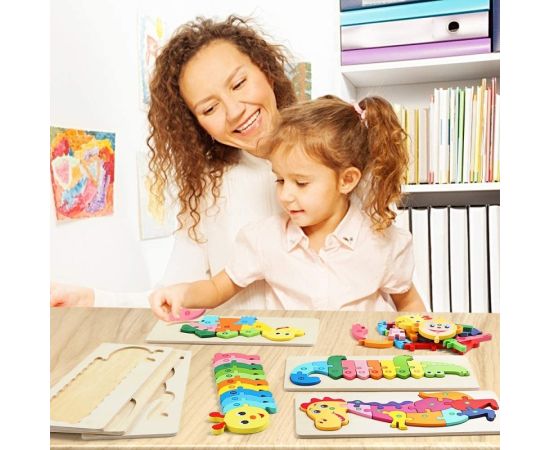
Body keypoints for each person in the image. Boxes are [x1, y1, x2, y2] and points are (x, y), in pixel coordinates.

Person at [50, 15, 297, 309]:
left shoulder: (335, 155)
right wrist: (92, 300)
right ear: (197, 124)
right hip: (238, 341)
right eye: (209, 108)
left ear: (267, 71)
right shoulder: (209, 187)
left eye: (239, 83)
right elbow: (172, 298)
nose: (234, 111)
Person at [149, 95, 427, 321]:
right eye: (280, 180)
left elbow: (409, 303)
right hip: (293, 363)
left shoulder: (383, 243)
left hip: (361, 362)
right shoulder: (264, 239)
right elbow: (217, 287)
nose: (285, 195)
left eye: (301, 183)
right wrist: (181, 294)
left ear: (347, 180)